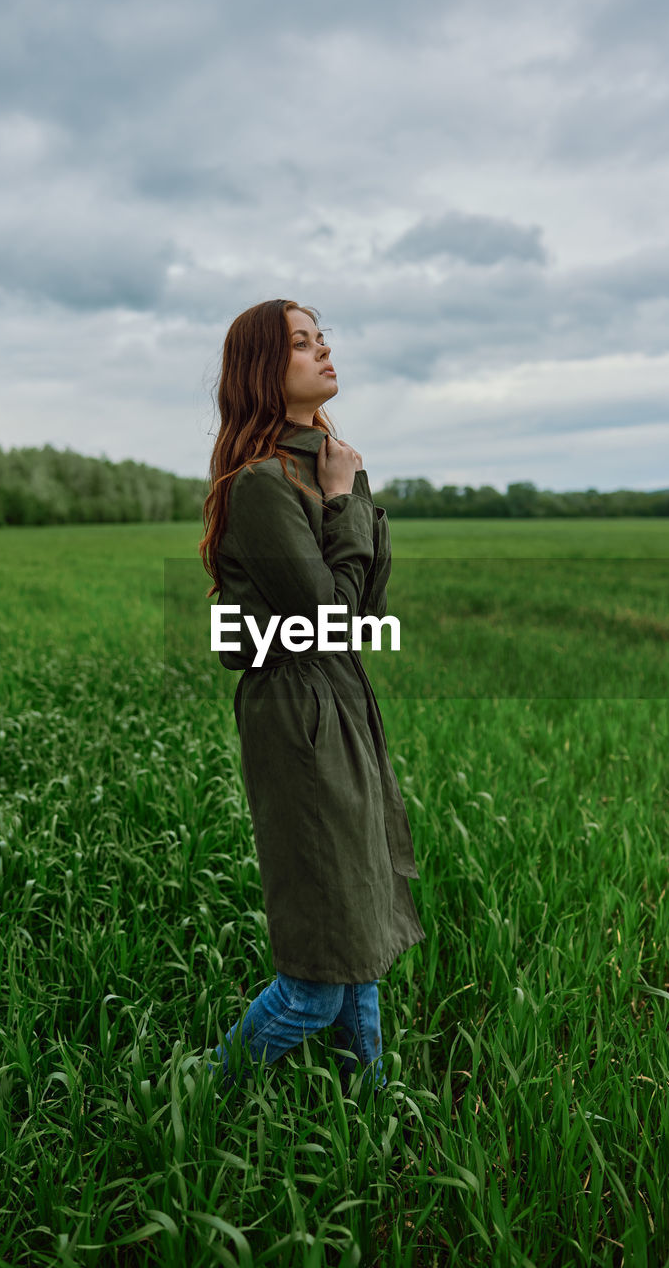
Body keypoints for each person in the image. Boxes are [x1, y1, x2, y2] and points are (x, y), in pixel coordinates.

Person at [199, 298, 425, 1098]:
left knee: (358, 932)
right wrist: (342, 502)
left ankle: (373, 1099)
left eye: (322, 337)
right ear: (266, 370)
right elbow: (328, 615)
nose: (323, 350)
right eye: (302, 343)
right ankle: (199, 1096)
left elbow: (363, 614)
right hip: (299, 716)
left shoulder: (321, 464)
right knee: (316, 978)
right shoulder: (262, 485)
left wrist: (348, 487)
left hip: (338, 699)